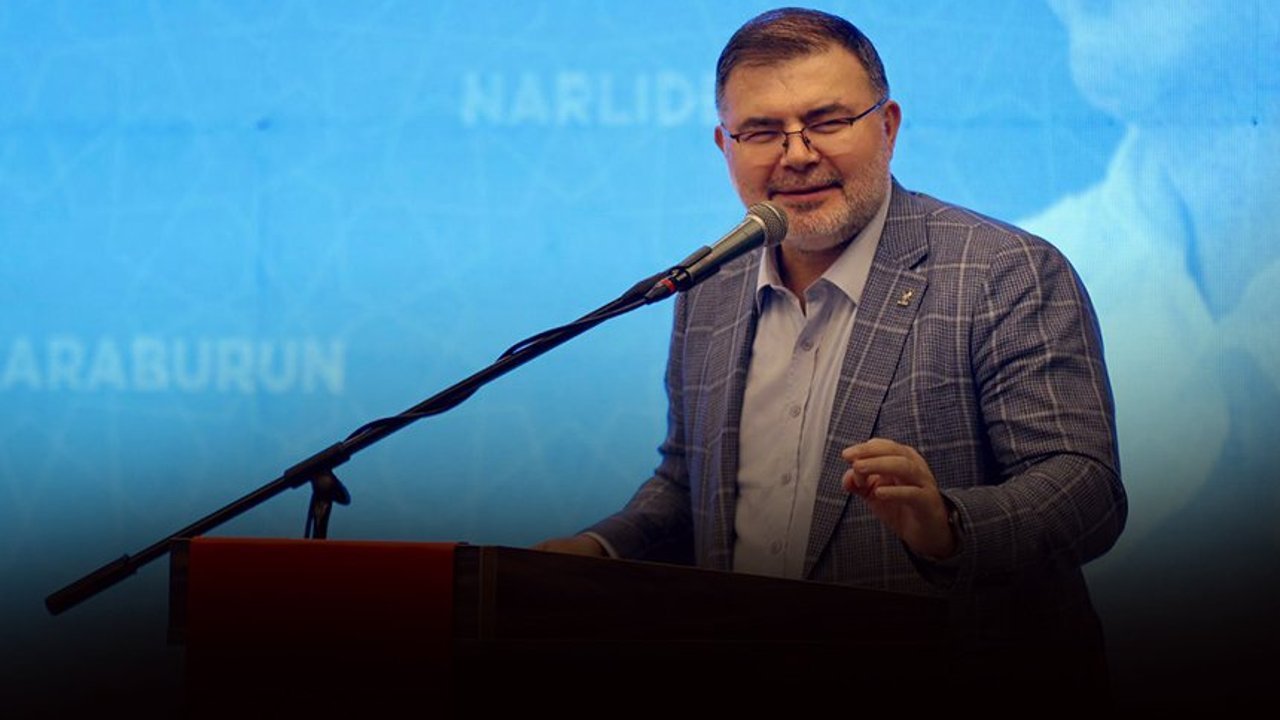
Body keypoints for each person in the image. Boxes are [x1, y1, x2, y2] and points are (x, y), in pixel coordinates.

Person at [536, 6, 1126, 703]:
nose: (796, 154)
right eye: (762, 132)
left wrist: (949, 526)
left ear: (888, 126)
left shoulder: (1003, 270)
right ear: (724, 145)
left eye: (827, 121)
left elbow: (1084, 489)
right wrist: (597, 552)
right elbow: (688, 484)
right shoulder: (708, 289)